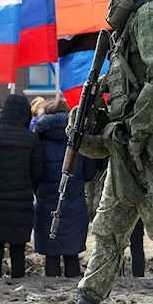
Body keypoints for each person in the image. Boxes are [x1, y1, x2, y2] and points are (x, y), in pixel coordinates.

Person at [29, 0, 153, 304]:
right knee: (108, 229)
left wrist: (134, 128)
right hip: (127, 146)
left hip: (147, 147)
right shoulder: (134, 14)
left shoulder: (152, 12)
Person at [0, 94, 43, 278]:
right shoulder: (31, 139)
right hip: (20, 202)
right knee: (18, 249)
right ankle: (18, 281)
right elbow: (37, 173)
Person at [33, 100, 95, 278]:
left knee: (50, 254)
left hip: (46, 200)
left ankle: (51, 287)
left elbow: (35, 172)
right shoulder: (79, 139)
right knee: (72, 253)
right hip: (74, 200)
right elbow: (89, 173)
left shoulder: (39, 138)